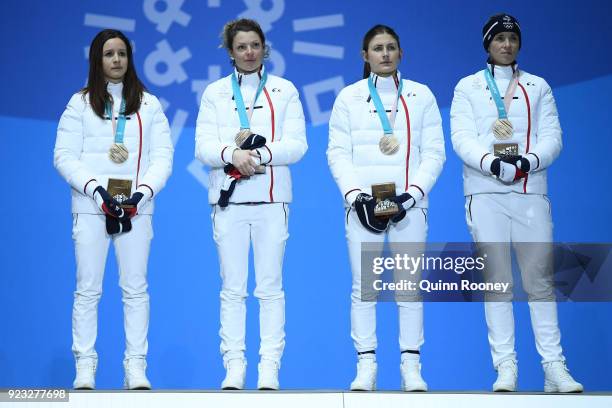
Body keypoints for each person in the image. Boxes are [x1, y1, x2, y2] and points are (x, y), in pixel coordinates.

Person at [450, 13, 583, 392]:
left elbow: (553, 136)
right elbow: (461, 136)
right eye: (499, 38)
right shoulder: (468, 87)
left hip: (530, 191)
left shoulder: (538, 86)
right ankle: (505, 367)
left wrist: (527, 162)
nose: (506, 45)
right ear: (487, 44)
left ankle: (554, 367)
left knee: (540, 281)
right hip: (485, 192)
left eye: (512, 38)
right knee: (497, 283)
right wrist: (492, 163)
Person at [327, 24, 445, 391]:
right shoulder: (348, 97)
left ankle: (411, 367)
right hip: (365, 209)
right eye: (377, 48)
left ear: (401, 53)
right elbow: (337, 153)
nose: (385, 54)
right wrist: (356, 197)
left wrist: (410, 196)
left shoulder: (421, 95)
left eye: (391, 47)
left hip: (409, 207)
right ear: (365, 56)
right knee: (365, 289)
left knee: (409, 287)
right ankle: (366, 366)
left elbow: (435, 153)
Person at [54, 29, 173, 390]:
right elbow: (63, 156)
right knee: (87, 289)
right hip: (91, 209)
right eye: (109, 54)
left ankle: (135, 367)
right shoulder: (79, 103)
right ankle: (85, 366)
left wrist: (141, 194)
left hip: (136, 210)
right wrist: (96, 191)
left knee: (135, 289)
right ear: (97, 59)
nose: (117, 60)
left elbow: (163, 157)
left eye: (122, 53)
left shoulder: (149, 105)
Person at [195, 18, 307, 390]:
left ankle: (269, 367)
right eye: (241, 47)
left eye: (255, 45)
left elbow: (297, 144)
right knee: (232, 288)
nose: (249, 52)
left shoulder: (284, 90)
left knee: (271, 287)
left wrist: (258, 154)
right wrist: (232, 154)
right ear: (230, 51)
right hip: (228, 200)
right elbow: (203, 147)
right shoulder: (214, 93)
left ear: (264, 48)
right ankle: (234, 366)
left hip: (273, 200)